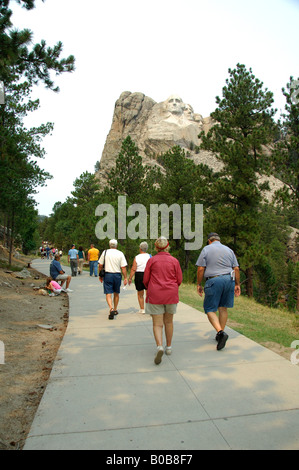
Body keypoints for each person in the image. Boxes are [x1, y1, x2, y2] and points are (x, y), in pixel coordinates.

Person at [196, 232, 241, 351]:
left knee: (210, 309)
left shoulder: (206, 249)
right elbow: (236, 268)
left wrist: (199, 284)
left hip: (214, 280)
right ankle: (220, 334)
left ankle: (221, 333)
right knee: (223, 308)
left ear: (209, 240)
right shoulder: (229, 250)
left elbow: (201, 269)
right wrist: (237, 284)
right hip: (229, 280)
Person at [143, 236, 183, 365]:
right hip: (170, 294)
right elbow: (179, 279)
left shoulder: (152, 261)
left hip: (155, 294)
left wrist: (150, 287)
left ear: (156, 247)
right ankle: (169, 347)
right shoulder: (174, 261)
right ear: (168, 246)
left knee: (157, 324)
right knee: (169, 322)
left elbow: (145, 279)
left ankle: (159, 345)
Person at [98, 239, 128, 319]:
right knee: (116, 293)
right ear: (116, 245)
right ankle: (115, 309)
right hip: (117, 275)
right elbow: (123, 267)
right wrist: (125, 277)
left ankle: (110, 308)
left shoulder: (105, 252)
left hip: (108, 275)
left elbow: (100, 265)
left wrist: (100, 275)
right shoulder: (120, 253)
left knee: (108, 293)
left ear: (109, 245)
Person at [128, 242, 151, 314]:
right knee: (149, 293)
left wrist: (130, 278)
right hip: (148, 275)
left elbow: (133, 268)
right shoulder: (150, 256)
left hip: (139, 275)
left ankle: (142, 309)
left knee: (140, 294)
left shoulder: (137, 257)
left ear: (140, 249)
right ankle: (149, 309)